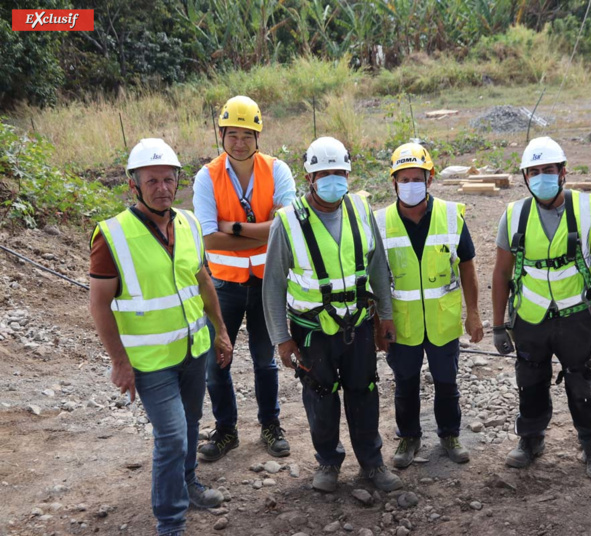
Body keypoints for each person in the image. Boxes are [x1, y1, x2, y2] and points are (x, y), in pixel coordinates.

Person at [89, 138, 233, 536]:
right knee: (171, 437)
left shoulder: (187, 224)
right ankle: (170, 522)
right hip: (150, 362)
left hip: (193, 349)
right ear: (134, 185)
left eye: (169, 179)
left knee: (189, 424)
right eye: (152, 180)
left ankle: (187, 483)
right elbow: (99, 304)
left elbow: (203, 281)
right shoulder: (111, 236)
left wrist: (220, 330)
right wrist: (119, 362)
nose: (162, 188)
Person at [262, 136, 403, 493]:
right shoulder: (288, 221)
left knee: (365, 392)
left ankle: (372, 464)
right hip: (312, 330)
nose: (333, 180)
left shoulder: (359, 209)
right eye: (324, 173)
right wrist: (282, 338)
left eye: (339, 172)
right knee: (321, 395)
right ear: (308, 177)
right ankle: (327, 462)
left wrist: (385, 317)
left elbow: (377, 269)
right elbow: (273, 286)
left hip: (356, 324)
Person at [491, 136, 591, 481]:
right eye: (534, 172)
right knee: (530, 382)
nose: (541, 177)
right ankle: (530, 441)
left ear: (564, 172)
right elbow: (501, 273)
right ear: (525, 177)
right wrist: (498, 326)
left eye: (548, 170)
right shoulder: (513, 216)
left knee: (583, 384)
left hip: (577, 317)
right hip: (531, 319)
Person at [192, 96, 296, 461]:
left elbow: (287, 227)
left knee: (265, 360)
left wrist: (232, 227)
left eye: (247, 134)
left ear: (258, 136)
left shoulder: (277, 170)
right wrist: (263, 230)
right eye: (232, 134)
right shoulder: (207, 176)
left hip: (268, 282)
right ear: (221, 134)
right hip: (223, 285)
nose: (239, 142)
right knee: (216, 360)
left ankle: (270, 424)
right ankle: (226, 430)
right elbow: (207, 237)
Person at [374, 142, 483, 468]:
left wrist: (474, 312)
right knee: (404, 383)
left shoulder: (451, 216)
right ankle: (409, 437)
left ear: (430, 178)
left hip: (442, 320)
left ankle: (449, 434)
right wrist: (379, 322)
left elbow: (467, 265)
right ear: (394, 182)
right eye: (403, 179)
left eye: (416, 178)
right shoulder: (379, 223)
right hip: (401, 323)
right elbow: (375, 277)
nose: (410, 185)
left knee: (447, 382)